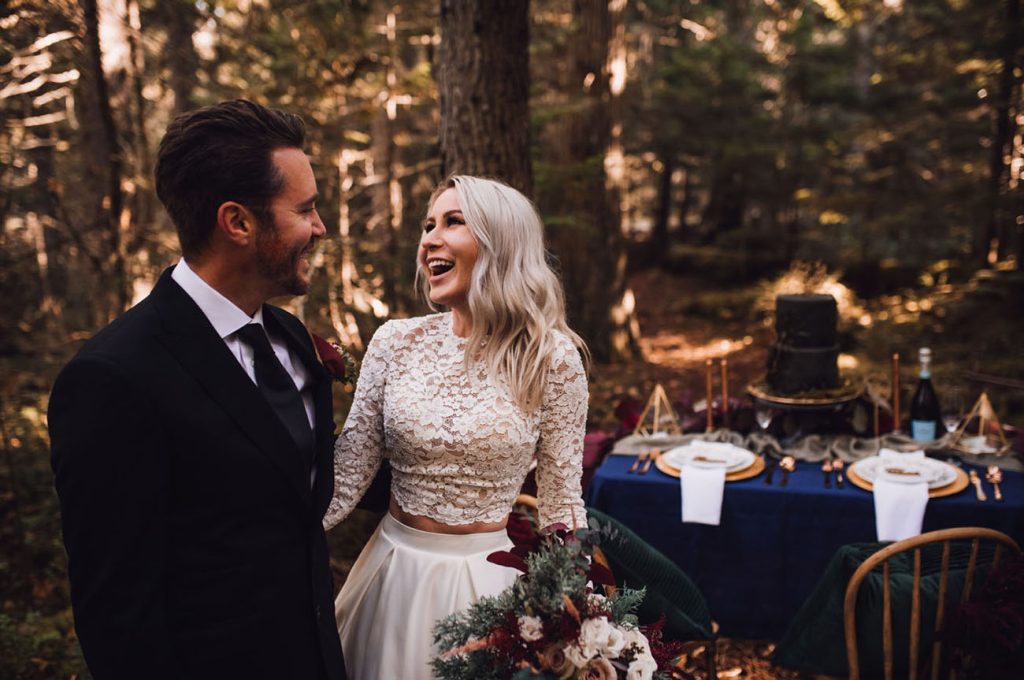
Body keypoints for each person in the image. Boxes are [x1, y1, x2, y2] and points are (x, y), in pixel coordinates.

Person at [48, 100, 347, 680]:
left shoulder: (290, 339)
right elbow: (117, 615)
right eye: (305, 209)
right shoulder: (114, 377)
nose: (321, 227)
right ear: (237, 222)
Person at [323, 175, 590, 679]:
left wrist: (579, 611)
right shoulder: (394, 342)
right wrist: (259, 541)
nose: (429, 240)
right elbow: (345, 476)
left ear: (499, 241)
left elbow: (561, 500)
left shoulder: (551, 358)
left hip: (490, 584)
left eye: (452, 222)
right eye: (428, 225)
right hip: (392, 575)